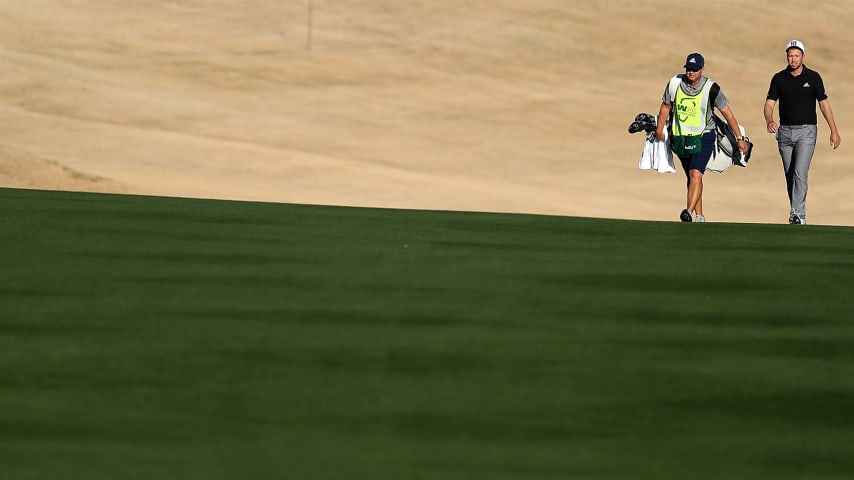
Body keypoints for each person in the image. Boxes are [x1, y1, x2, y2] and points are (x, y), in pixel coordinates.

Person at [655, 53, 748, 222]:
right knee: (692, 178)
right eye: (689, 69)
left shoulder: (712, 88)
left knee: (696, 174)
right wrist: (659, 130)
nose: (691, 73)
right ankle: (700, 216)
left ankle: (688, 212)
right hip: (681, 138)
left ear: (702, 69)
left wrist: (740, 137)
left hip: (705, 136)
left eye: (695, 70)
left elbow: (728, 114)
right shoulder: (675, 83)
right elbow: (665, 107)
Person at [764, 40, 841, 225]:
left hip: (806, 131)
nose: (793, 59)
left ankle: (798, 213)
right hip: (784, 133)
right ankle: (796, 214)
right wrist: (769, 119)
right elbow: (769, 104)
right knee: (790, 174)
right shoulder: (779, 78)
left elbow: (823, 104)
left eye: (796, 56)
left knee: (800, 172)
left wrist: (834, 131)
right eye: (790, 55)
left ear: (803, 57)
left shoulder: (813, 77)